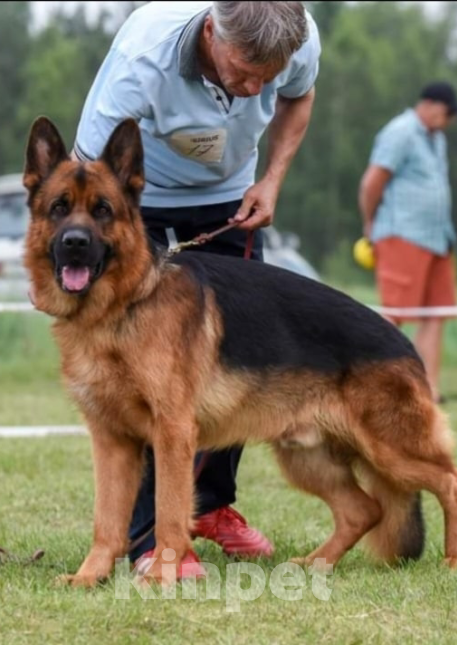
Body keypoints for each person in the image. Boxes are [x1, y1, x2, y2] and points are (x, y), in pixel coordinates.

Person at [70, 0, 320, 577]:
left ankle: (209, 507)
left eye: (267, 75)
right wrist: (71, 269)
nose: (253, 86)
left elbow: (298, 97)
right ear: (212, 32)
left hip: (230, 201)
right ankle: (148, 544)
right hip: (140, 208)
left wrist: (272, 180)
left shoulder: (299, 39)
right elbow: (86, 176)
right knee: (147, 379)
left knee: (226, 363)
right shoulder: (143, 60)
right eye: (243, 70)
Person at [357, 81, 457, 404]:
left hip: (438, 238)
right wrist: (370, 223)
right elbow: (372, 182)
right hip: (401, 233)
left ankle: (428, 389)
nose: (450, 121)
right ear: (431, 105)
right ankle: (375, 384)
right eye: (448, 113)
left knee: (436, 313)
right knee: (394, 312)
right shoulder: (400, 132)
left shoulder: (437, 138)